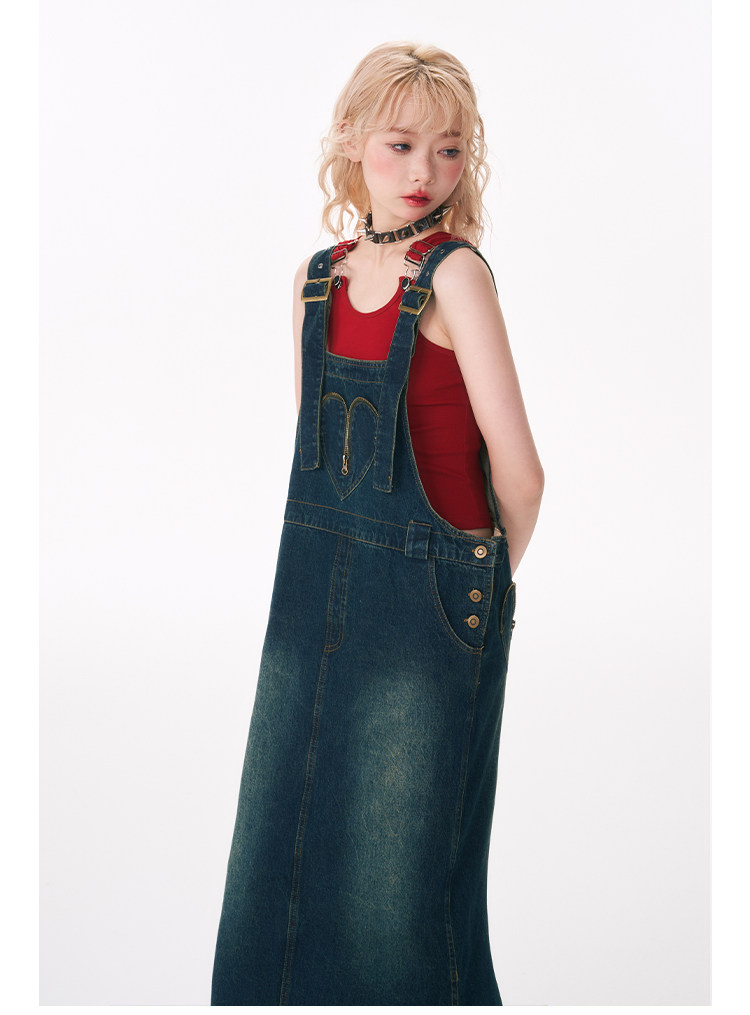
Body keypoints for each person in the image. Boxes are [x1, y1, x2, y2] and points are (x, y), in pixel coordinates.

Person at [211, 41, 544, 1006]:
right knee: (284, 850)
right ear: (352, 139)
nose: (423, 172)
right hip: (314, 595)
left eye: (449, 150)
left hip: (427, 602)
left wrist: (468, 594)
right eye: (401, 145)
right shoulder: (315, 281)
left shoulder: (455, 277)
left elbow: (521, 475)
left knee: (399, 879)